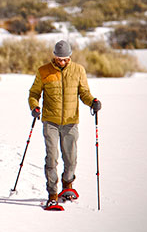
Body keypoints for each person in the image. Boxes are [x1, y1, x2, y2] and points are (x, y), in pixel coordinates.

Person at [28, 40, 101, 208]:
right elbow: (34, 93)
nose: (62, 62)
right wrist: (34, 107)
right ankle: (52, 194)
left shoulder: (78, 70)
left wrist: (92, 102)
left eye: (65, 59)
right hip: (50, 122)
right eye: (59, 58)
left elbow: (84, 93)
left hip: (70, 123)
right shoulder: (44, 71)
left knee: (71, 159)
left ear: (70, 57)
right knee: (52, 158)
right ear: (54, 56)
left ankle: (67, 186)